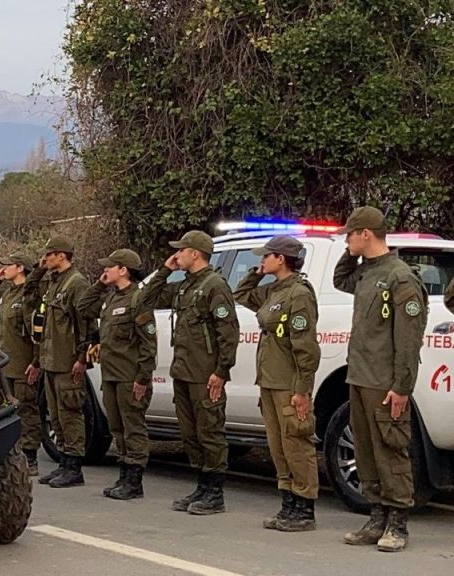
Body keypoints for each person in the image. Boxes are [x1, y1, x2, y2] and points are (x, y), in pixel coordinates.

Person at [334, 207, 427, 553]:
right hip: (360, 375)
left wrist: (402, 386)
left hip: (385, 381)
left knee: (391, 449)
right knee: (366, 450)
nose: (346, 240)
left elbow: (408, 339)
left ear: (366, 234)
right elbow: (339, 280)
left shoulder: (400, 277)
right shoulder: (367, 272)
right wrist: (349, 252)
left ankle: (397, 523)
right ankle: (376, 516)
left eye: (350, 234)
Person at [142, 230, 239, 514]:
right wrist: (165, 270)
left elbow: (228, 333)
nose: (177, 255)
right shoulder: (185, 286)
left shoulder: (214, 286)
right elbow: (145, 299)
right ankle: (202, 484)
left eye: (181, 251)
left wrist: (221, 372)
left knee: (210, 430)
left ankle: (215, 491)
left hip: (205, 372)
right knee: (190, 432)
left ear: (195, 253)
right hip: (183, 371)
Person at [234, 236, 321, 531]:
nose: (262, 261)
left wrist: (302, 390)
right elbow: (241, 294)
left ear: (281, 259)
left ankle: (304, 507)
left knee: (296, 443)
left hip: (288, 382)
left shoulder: (299, 294)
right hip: (270, 381)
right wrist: (255, 274)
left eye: (266, 257)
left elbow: (305, 347)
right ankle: (288, 503)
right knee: (278, 445)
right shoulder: (274, 290)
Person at [77, 249, 157, 500]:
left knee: (133, 427)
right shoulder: (111, 299)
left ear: (123, 270)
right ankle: (124, 474)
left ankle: (134, 480)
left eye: (109, 267)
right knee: (117, 427)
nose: (105, 270)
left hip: (129, 375)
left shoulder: (138, 299)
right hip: (111, 375)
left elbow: (148, 344)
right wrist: (99, 286)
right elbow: (82, 307)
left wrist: (142, 378)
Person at [24, 235, 93, 488]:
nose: (45, 258)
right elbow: (29, 294)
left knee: (71, 413)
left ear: (61, 255)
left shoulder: (77, 284)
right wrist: (39, 270)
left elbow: (85, 324)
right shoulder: (54, 282)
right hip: (51, 360)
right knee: (56, 415)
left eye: (49, 255)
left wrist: (81, 358)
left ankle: (74, 467)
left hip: (67, 361)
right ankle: (64, 462)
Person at [0, 252, 41, 475]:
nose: (3, 269)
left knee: (27, 408)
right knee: (9, 410)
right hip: (7, 363)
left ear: (20, 268)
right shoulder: (7, 293)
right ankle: (15, 453)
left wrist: (35, 361)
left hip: (24, 362)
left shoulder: (28, 295)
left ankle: (30, 455)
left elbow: (36, 332)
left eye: (8, 265)